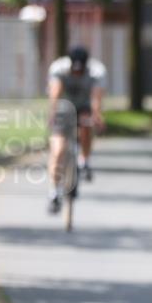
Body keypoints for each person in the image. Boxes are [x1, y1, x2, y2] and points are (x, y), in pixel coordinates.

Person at [46, 46, 105, 213]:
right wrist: (52, 114)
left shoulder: (97, 72)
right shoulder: (59, 69)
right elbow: (55, 93)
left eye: (81, 70)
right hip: (64, 107)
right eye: (75, 69)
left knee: (87, 126)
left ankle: (84, 161)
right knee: (57, 150)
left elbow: (96, 97)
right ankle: (54, 192)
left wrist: (97, 116)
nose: (77, 73)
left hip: (84, 106)